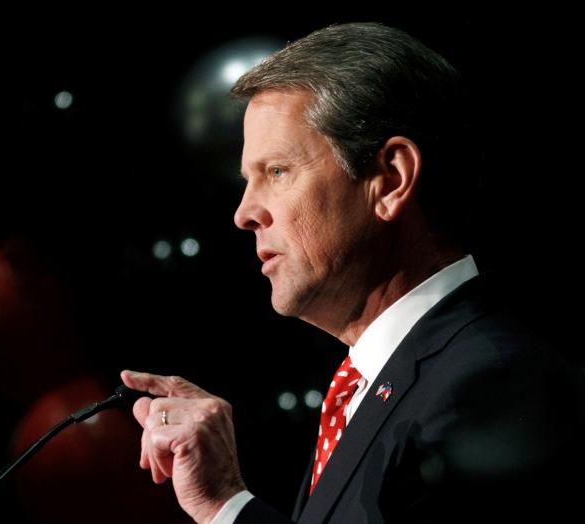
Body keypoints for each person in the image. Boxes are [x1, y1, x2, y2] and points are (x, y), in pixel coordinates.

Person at [122, 22, 582, 523]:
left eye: (276, 172)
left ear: (390, 180)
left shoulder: (490, 387)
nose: (244, 212)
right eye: (247, 180)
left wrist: (226, 506)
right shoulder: (380, 382)